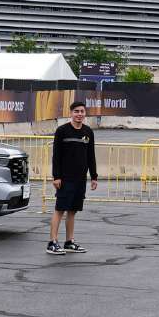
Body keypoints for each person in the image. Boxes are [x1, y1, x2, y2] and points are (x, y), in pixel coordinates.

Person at [48, 101, 98, 255]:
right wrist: (56, 176)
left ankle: (69, 242)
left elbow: (91, 156)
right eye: (76, 111)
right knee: (60, 209)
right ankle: (52, 242)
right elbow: (56, 156)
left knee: (73, 211)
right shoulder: (62, 131)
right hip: (65, 178)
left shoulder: (88, 132)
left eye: (82, 111)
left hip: (80, 179)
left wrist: (94, 176)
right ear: (70, 113)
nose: (79, 114)